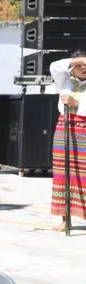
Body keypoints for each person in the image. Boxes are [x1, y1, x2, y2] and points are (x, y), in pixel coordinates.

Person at [50, 53, 86, 232]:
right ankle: (66, 220)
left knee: (83, 175)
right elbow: (54, 66)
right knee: (62, 174)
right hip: (64, 128)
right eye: (80, 65)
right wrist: (78, 60)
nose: (84, 68)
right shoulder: (64, 80)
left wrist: (76, 104)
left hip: (84, 130)